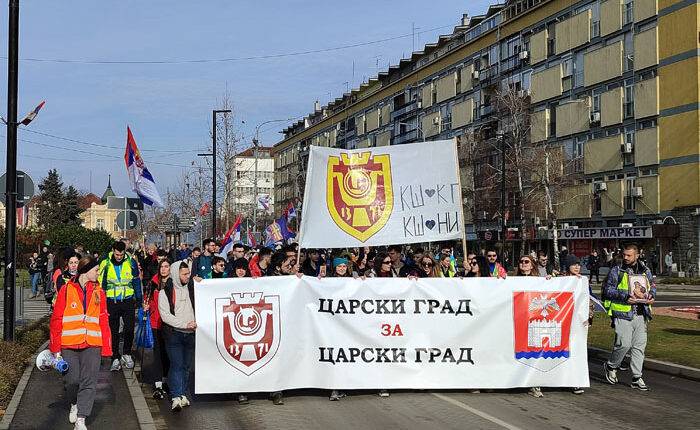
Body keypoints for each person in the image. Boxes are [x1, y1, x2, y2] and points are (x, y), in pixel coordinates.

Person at [49, 256, 111, 430]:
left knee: (89, 381)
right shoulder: (66, 290)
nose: (99, 273)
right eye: (96, 270)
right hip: (69, 344)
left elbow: (104, 321)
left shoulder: (100, 292)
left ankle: (81, 419)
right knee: (72, 381)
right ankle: (74, 402)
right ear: (86, 270)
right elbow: (56, 319)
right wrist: (55, 349)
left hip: (92, 343)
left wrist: (107, 349)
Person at [603, 244, 656, 391]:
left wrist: (651, 296)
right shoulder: (617, 270)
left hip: (641, 313)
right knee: (624, 344)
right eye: (624, 255)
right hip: (622, 313)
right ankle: (611, 366)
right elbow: (608, 290)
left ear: (637, 255)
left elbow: (652, 286)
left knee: (639, 347)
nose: (625, 258)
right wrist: (625, 297)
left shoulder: (645, 270)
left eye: (629, 255)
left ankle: (636, 378)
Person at [98, 241, 142, 372]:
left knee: (129, 329)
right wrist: (101, 302)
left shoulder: (130, 262)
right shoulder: (105, 263)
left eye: (121, 254)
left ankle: (127, 354)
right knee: (114, 331)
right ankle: (115, 357)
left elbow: (136, 281)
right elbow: (101, 284)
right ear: (113, 251)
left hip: (128, 300)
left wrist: (139, 300)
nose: (119, 257)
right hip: (112, 301)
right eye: (117, 254)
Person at [159, 261, 197, 412]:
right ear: (176, 274)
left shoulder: (193, 288)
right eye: (184, 274)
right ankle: (175, 396)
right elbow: (165, 316)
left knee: (187, 366)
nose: (188, 276)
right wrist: (184, 324)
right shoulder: (165, 292)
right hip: (174, 334)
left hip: (190, 335)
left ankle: (182, 393)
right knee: (176, 365)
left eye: (188, 273)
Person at [144, 259, 171, 400]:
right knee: (158, 353)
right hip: (156, 322)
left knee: (168, 353)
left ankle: (166, 380)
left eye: (166, 267)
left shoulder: (175, 283)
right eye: (162, 267)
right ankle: (158, 384)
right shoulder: (153, 283)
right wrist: (146, 306)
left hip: (170, 323)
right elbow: (146, 298)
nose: (164, 269)